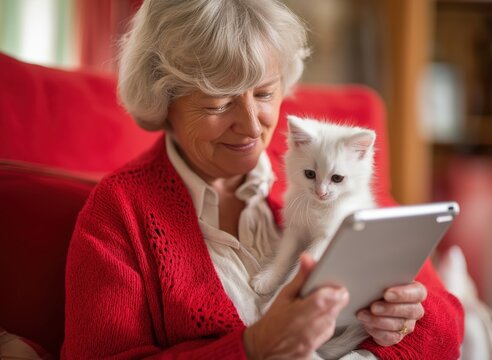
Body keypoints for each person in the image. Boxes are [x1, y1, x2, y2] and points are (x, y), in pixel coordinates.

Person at [62, 0, 464, 359]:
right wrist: (252, 348)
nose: (252, 127)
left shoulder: (321, 168)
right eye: (219, 102)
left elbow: (445, 319)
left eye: (265, 93)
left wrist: (403, 321)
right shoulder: (119, 212)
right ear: (163, 99)